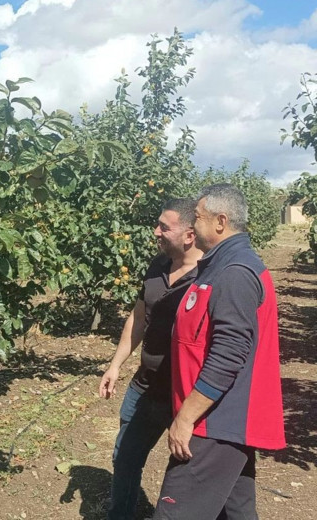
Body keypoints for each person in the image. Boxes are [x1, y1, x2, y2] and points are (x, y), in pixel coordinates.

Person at [153, 184, 285, 519]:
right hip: (219, 419)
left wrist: (186, 417)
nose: (192, 225)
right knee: (236, 511)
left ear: (220, 222)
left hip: (215, 423)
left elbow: (228, 355)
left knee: (174, 513)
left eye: (197, 218)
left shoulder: (235, 273)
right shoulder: (220, 265)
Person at [99, 198, 203, 520]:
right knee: (125, 456)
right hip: (145, 387)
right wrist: (116, 365)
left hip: (186, 397)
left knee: (189, 474)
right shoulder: (158, 265)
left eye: (163, 227)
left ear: (189, 234)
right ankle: (122, 513)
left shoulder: (210, 275)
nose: (155, 231)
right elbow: (140, 317)